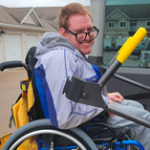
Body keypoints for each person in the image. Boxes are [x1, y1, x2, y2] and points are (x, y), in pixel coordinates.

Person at [34, 3, 150, 149]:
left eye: (90, 30)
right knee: (144, 119)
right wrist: (102, 105)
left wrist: (105, 97)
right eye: (79, 32)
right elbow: (64, 117)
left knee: (137, 105)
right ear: (64, 33)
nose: (87, 37)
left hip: (90, 114)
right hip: (83, 125)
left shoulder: (73, 53)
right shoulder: (60, 59)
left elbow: (78, 93)